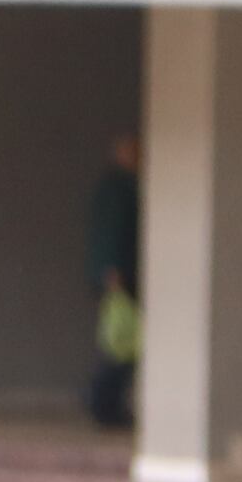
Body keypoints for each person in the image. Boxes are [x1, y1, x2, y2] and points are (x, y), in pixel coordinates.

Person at [88, 134, 144, 432]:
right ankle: (102, 403)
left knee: (121, 342)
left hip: (117, 275)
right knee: (120, 342)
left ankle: (107, 403)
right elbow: (112, 232)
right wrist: (112, 273)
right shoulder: (118, 189)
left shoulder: (121, 186)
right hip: (118, 278)